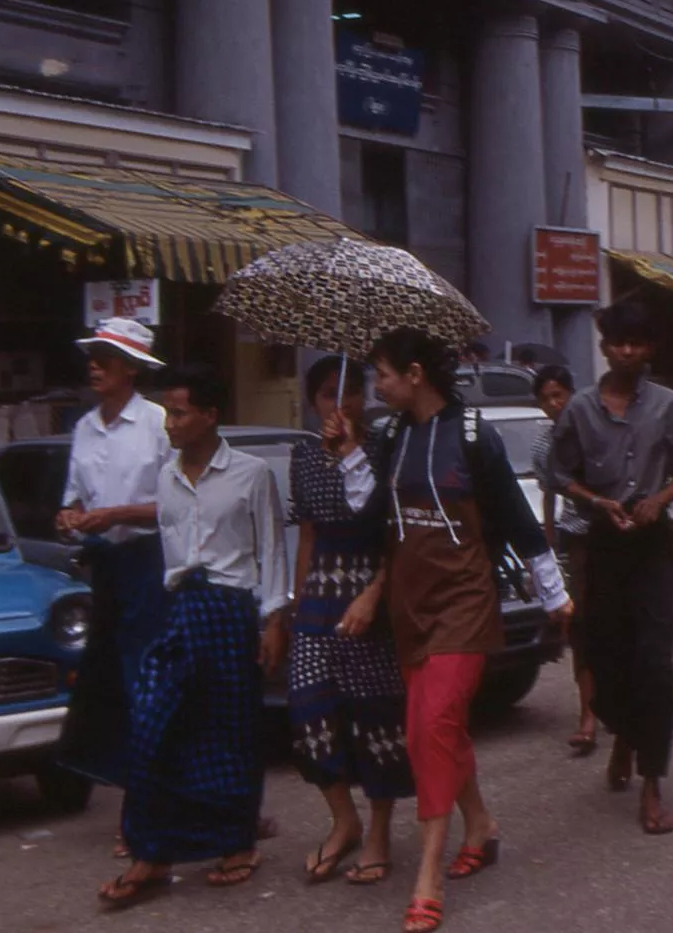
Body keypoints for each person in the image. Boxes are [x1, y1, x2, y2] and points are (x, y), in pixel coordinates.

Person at [365, 328, 571, 933]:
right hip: (410, 608)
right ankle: (480, 824)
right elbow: (373, 521)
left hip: (464, 604)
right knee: (435, 729)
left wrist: (554, 593)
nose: (376, 386)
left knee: (432, 727)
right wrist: (348, 454)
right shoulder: (391, 437)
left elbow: (516, 518)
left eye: (382, 374)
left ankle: (427, 877)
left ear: (415, 375)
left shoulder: (474, 437)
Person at [99, 365, 288, 908]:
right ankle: (151, 852)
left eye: (179, 413)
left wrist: (274, 620)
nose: (171, 424)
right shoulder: (166, 476)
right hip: (182, 609)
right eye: (167, 414)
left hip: (231, 611)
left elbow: (272, 550)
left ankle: (236, 842)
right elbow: (171, 554)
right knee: (153, 724)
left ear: (210, 415)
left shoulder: (251, 474)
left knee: (228, 734)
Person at [550, 302, 673, 835]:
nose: (629, 351)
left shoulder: (668, 407)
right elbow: (559, 473)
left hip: (654, 547)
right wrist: (596, 501)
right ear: (605, 346)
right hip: (604, 547)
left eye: (639, 343)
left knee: (655, 665)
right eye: (620, 343)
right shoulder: (580, 409)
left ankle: (652, 782)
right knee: (605, 665)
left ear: (650, 349)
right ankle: (625, 735)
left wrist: (660, 500)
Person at [286, 358, 413, 886]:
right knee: (308, 710)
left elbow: (394, 533)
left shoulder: (384, 449)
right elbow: (309, 534)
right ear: (312, 403)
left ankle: (380, 831)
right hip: (319, 593)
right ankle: (345, 819)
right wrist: (296, 603)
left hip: (369, 589)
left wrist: (376, 592)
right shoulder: (302, 454)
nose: (339, 404)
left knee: (375, 718)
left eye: (350, 393)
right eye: (325, 396)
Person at [56, 318, 172, 848]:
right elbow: (75, 498)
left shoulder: (159, 423)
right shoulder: (84, 427)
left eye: (106, 357)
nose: (95, 365)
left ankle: (151, 808)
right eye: (93, 356)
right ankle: (138, 798)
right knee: (109, 689)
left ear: (131, 368)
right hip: (105, 569)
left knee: (146, 684)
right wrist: (71, 516)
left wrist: (117, 514)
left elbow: (177, 506)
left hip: (150, 566)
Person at [534, 365, 598, 756]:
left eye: (559, 395)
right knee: (582, 630)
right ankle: (587, 716)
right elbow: (549, 498)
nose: (554, 404)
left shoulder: (595, 430)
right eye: (545, 398)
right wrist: (549, 552)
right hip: (576, 541)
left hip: (612, 535)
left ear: (573, 394)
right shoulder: (544, 444)